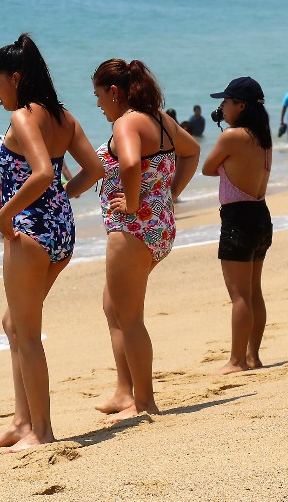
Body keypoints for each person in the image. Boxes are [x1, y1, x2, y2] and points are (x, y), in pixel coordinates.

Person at [0, 34, 103, 453]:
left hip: (29, 233)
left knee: (28, 334)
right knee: (13, 323)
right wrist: (63, 196)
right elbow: (93, 170)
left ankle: (43, 432)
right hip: (61, 234)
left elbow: (37, 173)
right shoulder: (63, 117)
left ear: (16, 78)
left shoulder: (22, 117)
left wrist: (4, 214)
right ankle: (21, 421)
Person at [90, 58, 201, 422]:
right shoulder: (159, 118)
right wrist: (168, 196)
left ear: (115, 92)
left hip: (132, 230)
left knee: (130, 317)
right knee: (113, 306)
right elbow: (192, 152)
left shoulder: (126, 122)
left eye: (99, 95)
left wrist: (136, 201)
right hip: (159, 228)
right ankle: (125, 391)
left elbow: (131, 164)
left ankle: (145, 402)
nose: (98, 104)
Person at [202, 76, 274, 374]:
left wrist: (224, 161)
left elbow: (207, 169)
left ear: (240, 105)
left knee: (239, 296)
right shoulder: (262, 136)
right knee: (254, 291)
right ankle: (253, 355)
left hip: (237, 219)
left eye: (226, 102)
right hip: (260, 214)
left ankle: (236, 360)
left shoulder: (232, 136)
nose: (222, 107)